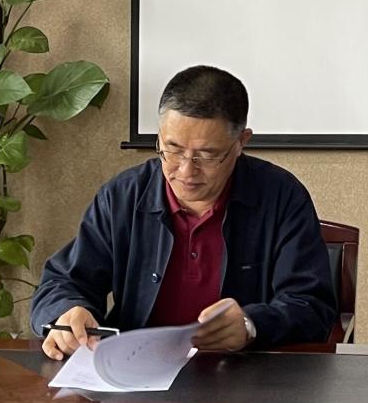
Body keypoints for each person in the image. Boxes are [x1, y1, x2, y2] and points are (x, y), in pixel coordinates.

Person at [33, 64, 337, 358]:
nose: (185, 171)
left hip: (243, 375)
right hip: (137, 370)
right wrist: (67, 312)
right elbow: (63, 281)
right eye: (173, 149)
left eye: (207, 156)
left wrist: (252, 325)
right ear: (159, 136)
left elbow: (312, 306)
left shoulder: (282, 197)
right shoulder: (123, 197)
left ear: (240, 143)